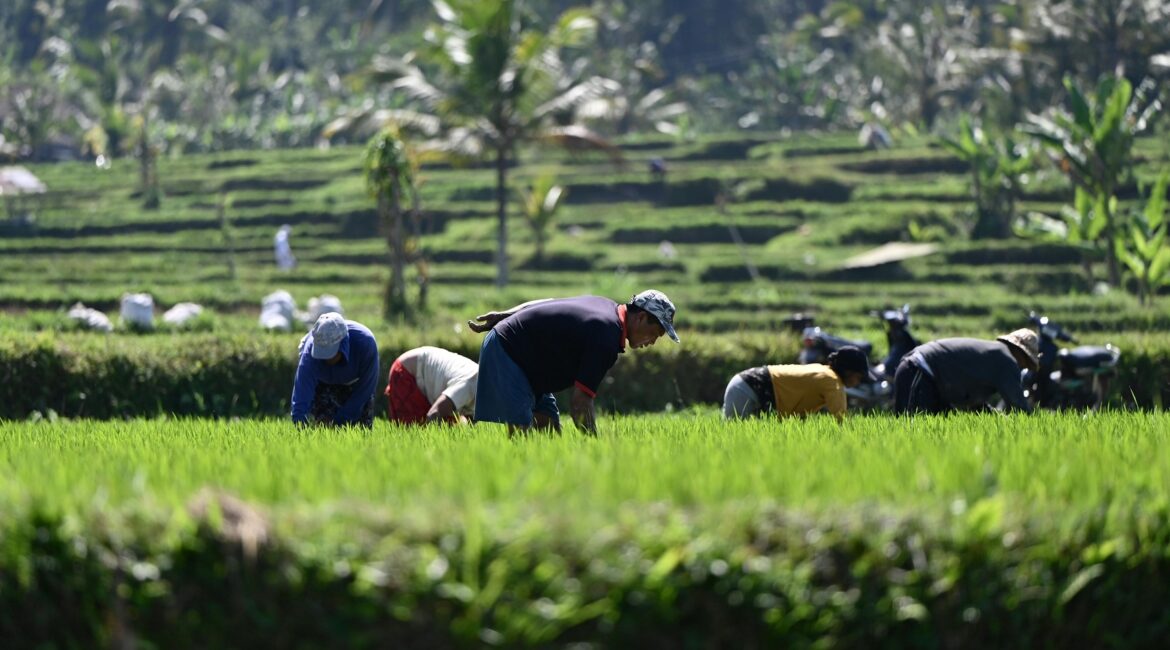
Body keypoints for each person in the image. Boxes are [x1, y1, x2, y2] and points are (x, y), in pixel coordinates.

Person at [468, 290, 680, 435]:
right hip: (508, 351)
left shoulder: (605, 305)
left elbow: (548, 303)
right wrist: (594, 449)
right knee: (522, 437)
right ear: (641, 317)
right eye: (655, 333)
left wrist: (506, 315)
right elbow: (580, 403)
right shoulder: (605, 337)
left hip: (528, 361)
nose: (652, 342)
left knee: (549, 430)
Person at [893, 329, 1039, 414]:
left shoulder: (993, 356)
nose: (1022, 368)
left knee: (937, 433)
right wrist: (1034, 429)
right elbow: (1019, 408)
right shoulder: (1006, 359)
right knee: (911, 430)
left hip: (927, 379)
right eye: (1025, 363)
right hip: (918, 370)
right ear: (1020, 352)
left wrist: (997, 418)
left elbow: (976, 405)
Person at [722, 346, 873, 422]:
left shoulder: (825, 373)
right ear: (848, 371)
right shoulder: (832, 382)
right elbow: (842, 420)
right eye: (859, 377)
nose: (858, 382)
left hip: (745, 385)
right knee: (738, 444)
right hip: (750, 389)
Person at [290, 312, 379, 427]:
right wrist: (300, 425)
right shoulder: (309, 352)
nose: (326, 359)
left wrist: (340, 422)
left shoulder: (365, 344)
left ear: (343, 343)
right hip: (323, 384)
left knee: (359, 429)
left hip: (355, 386)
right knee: (321, 428)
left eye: (329, 352)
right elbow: (301, 394)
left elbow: (365, 389)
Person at [385, 346, 478, 425]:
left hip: (425, 377)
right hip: (406, 373)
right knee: (414, 432)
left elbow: (471, 421)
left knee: (450, 429)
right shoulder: (470, 383)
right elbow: (434, 413)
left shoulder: (483, 387)